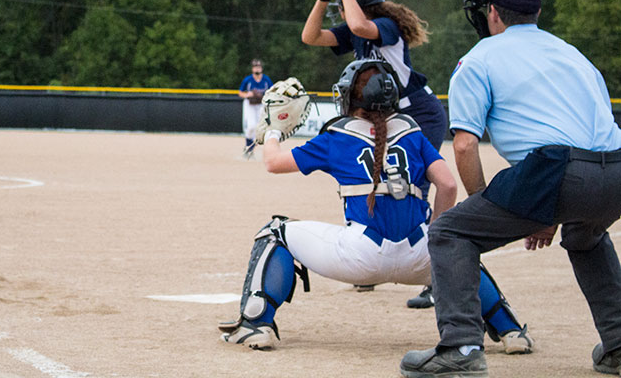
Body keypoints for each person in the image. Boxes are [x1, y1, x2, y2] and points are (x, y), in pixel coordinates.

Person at [218, 60, 533, 355]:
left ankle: (255, 323)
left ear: (350, 99)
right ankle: (511, 331)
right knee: (459, 251)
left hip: (361, 255)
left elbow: (272, 163)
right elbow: (448, 185)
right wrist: (438, 238)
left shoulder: (337, 136)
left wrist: (273, 131)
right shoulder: (413, 133)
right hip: (420, 256)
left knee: (275, 232)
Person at [399, 0, 621, 377]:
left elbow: (465, 144)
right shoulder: (573, 54)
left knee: (452, 231)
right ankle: (620, 346)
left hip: (556, 171)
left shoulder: (481, 56)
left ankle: (461, 348)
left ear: (494, 13)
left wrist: (495, 204)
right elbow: (589, 136)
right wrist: (541, 208)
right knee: (585, 238)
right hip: (615, 169)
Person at [303, 0, 448, 308]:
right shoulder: (357, 26)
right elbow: (311, 37)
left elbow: (358, 24)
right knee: (367, 180)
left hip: (418, 114)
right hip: (385, 118)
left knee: (413, 190)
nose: (342, 4)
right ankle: (367, 256)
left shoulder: (386, 26)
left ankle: (437, 271)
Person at [238, 59, 273, 159]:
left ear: (261, 68)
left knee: (259, 128)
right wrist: (247, 94)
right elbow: (240, 92)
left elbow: (272, 90)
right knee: (251, 126)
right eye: (255, 67)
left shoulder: (266, 80)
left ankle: (249, 150)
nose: (257, 68)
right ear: (252, 68)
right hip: (249, 104)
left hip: (261, 104)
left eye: (259, 67)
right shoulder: (248, 80)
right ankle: (248, 147)